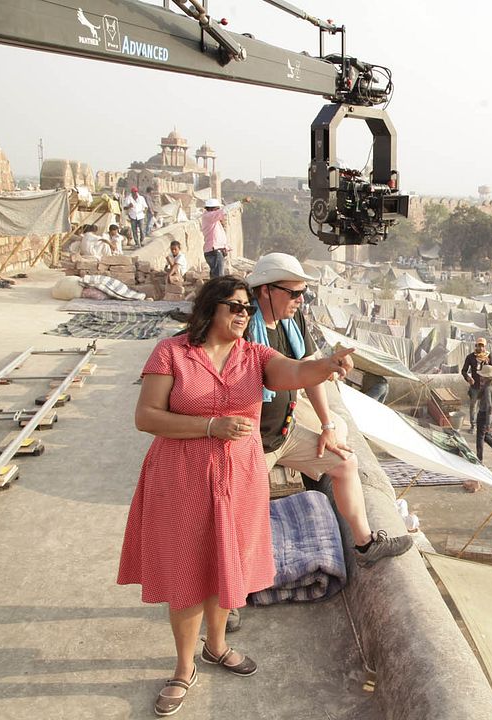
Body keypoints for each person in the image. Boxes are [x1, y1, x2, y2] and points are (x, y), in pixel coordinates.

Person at [118, 275, 356, 717]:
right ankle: (183, 668)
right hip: (181, 477)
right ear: (211, 309)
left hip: (238, 478)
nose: (244, 315)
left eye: (248, 308)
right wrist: (210, 426)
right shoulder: (172, 353)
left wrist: (327, 365)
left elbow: (296, 372)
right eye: (235, 307)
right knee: (188, 573)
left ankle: (218, 645)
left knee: (228, 562)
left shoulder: (255, 356)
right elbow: (146, 416)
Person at [246, 253, 412, 568]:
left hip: (284, 432)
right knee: (240, 517)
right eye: (293, 293)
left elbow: (309, 370)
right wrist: (324, 367)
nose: (300, 300)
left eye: (302, 293)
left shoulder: (292, 322)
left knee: (345, 462)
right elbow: (298, 373)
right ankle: (231, 598)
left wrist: (326, 426)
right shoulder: (245, 328)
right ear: (266, 290)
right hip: (251, 440)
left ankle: (365, 544)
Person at [470, 365, 492, 465]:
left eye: (483, 376)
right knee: (486, 436)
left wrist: (488, 423)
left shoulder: (487, 389)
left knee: (480, 438)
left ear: (487, 377)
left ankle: (479, 460)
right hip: (491, 415)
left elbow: (489, 406)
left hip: (484, 415)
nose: (481, 377)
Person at [461, 337, 492, 430]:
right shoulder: (470, 357)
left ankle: (486, 426)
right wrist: (468, 378)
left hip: (486, 387)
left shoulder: (489, 357)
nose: (480, 348)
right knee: (473, 407)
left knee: (487, 406)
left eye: (482, 346)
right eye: (478, 345)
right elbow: (463, 371)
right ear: (475, 346)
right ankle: (473, 426)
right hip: (475, 386)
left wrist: (491, 384)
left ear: (485, 347)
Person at [201, 198, 230, 279]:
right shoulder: (210, 216)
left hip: (213, 250)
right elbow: (225, 210)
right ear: (213, 209)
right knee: (219, 278)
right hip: (214, 251)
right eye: (217, 209)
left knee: (215, 276)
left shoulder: (210, 218)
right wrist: (241, 202)